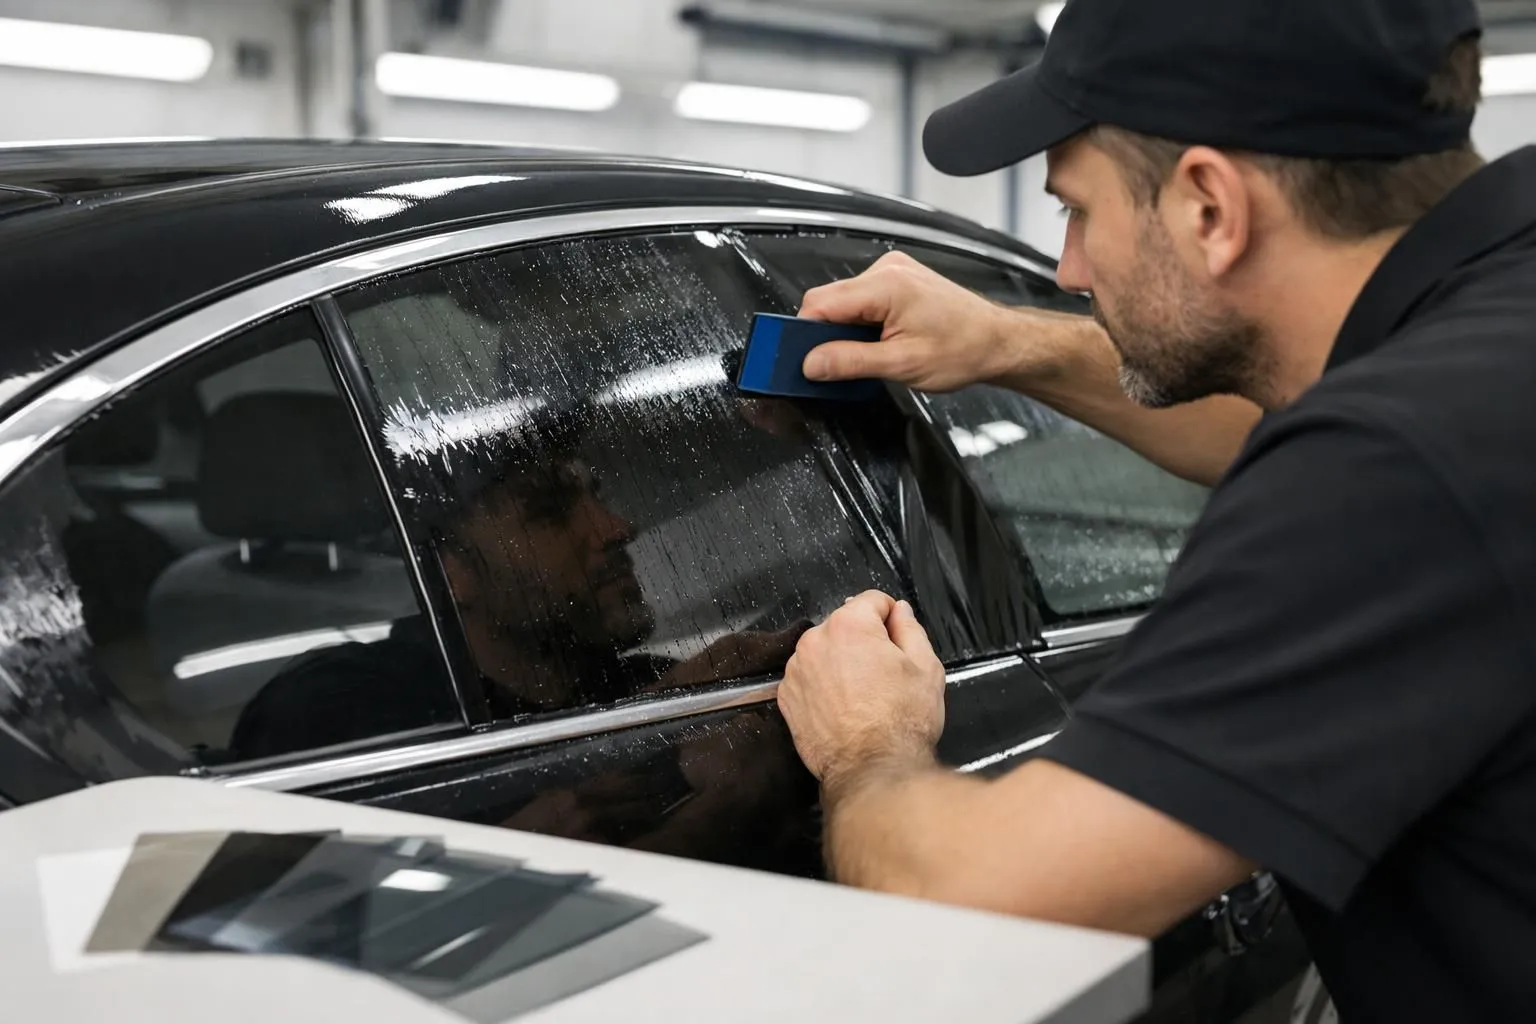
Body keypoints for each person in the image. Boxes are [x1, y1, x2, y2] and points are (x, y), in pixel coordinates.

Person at [774, 0, 1536, 1019]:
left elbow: (972, 902)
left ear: (1211, 208)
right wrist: (1009, 343)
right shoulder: (1486, 331)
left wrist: (869, 742)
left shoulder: (1391, 467)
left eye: (1079, 212)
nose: (1070, 271)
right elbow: (1284, 408)